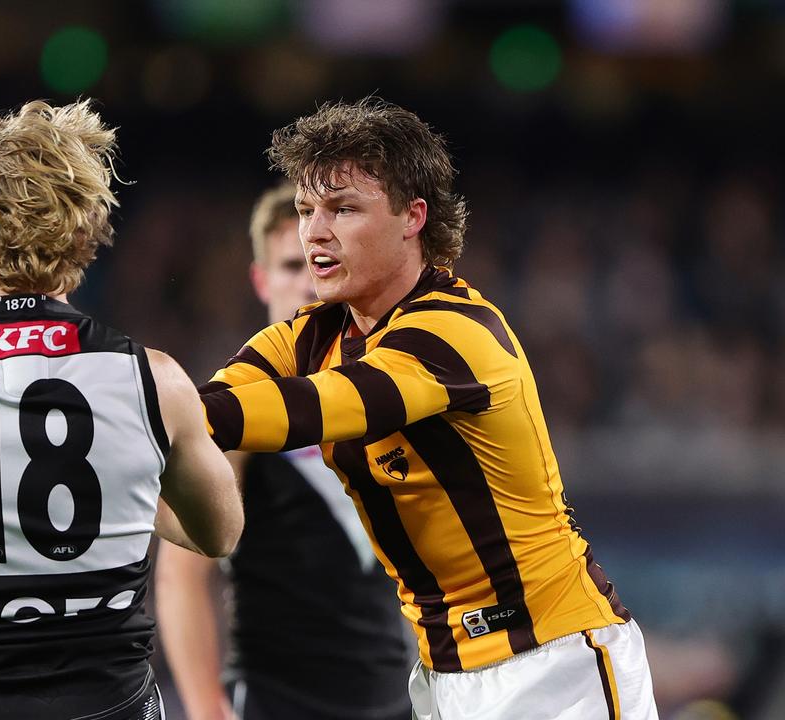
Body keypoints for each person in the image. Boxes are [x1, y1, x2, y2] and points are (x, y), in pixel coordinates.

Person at [199, 98, 659, 720]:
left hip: (555, 666)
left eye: (343, 209)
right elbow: (212, 405)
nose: (314, 233)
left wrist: (142, 403)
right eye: (308, 210)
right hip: (443, 679)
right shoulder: (311, 335)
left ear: (413, 217)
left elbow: (308, 408)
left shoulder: (454, 330)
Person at [0, 99, 243, 720]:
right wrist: (128, 493)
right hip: (109, 703)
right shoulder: (155, 381)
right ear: (85, 229)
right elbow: (219, 534)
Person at [155, 183, 412, 720]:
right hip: (280, 703)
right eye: (293, 265)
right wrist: (206, 709)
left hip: (396, 699)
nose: (308, 282)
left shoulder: (384, 393)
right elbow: (182, 576)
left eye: (320, 263)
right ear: (260, 279)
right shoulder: (235, 409)